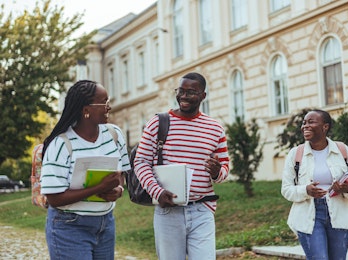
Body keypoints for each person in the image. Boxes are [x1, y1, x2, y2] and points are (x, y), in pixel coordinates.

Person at [134, 72, 230, 260]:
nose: (184, 97)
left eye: (191, 92)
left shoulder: (215, 128)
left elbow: (225, 169)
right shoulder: (157, 123)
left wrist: (218, 172)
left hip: (202, 210)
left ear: (203, 96)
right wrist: (157, 191)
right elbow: (141, 162)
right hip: (168, 210)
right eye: (181, 91)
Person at [40, 80, 130, 259]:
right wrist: (99, 188)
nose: (108, 107)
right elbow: (53, 198)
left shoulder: (114, 135)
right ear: (86, 110)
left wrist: (118, 190)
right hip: (69, 226)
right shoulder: (61, 145)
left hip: (105, 224)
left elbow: (121, 175)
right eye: (103, 102)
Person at [281, 109, 348, 260]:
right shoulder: (295, 154)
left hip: (339, 213)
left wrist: (346, 188)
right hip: (309, 215)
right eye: (304, 123)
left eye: (311, 122)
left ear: (325, 127)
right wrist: (306, 190)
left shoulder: (342, 150)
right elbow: (286, 190)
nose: (305, 126)